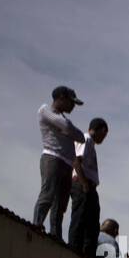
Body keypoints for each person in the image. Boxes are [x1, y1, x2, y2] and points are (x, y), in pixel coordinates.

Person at [32, 87, 85, 239]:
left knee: (60, 204)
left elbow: (81, 137)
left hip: (66, 163)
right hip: (52, 158)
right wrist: (67, 130)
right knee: (47, 195)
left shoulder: (64, 119)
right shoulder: (44, 110)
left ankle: (55, 235)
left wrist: (67, 130)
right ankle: (36, 225)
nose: (73, 106)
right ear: (61, 97)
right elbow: (69, 128)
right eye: (71, 102)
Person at [67, 118, 108, 257]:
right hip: (81, 183)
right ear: (102, 130)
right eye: (104, 134)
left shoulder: (90, 144)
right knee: (80, 217)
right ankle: (74, 249)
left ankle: (87, 253)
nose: (103, 138)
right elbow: (76, 160)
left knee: (92, 222)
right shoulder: (85, 139)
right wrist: (84, 183)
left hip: (89, 186)